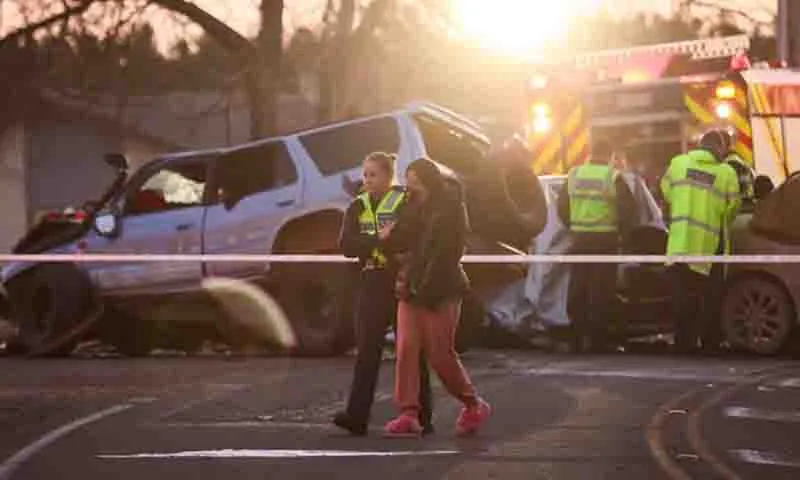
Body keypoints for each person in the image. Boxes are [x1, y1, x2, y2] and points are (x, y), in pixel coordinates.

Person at [382, 158, 490, 437]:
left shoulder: (451, 206)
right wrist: (388, 234)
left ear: (426, 178)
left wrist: (428, 287)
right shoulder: (409, 206)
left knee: (440, 354)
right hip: (411, 285)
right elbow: (402, 242)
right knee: (406, 349)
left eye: (413, 177)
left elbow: (448, 252)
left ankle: (472, 403)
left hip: (442, 289)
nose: (408, 183)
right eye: (407, 177)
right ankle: (408, 413)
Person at [333, 152, 433, 436]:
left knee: (411, 350)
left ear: (389, 176)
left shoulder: (404, 202)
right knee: (367, 350)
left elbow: (412, 237)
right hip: (371, 281)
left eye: (373, 174)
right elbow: (347, 246)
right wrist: (379, 239)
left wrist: (387, 244)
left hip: (401, 281)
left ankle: (423, 416)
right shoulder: (357, 206)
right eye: (364, 175)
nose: (366, 180)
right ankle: (357, 416)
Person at [661, 129, 741, 353]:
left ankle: (682, 343)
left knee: (681, 296)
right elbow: (733, 207)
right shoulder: (726, 173)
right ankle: (709, 342)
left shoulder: (678, 163)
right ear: (720, 149)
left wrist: (681, 203)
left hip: (679, 243)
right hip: (708, 246)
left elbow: (665, 189)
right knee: (710, 296)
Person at [557, 139, 637, 353]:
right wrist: (623, 235)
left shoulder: (574, 175)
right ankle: (597, 340)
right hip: (605, 239)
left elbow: (562, 207)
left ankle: (575, 338)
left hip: (579, 238)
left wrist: (574, 225)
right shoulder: (613, 177)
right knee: (600, 289)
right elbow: (628, 211)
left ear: (590, 154)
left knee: (578, 286)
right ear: (610, 155)